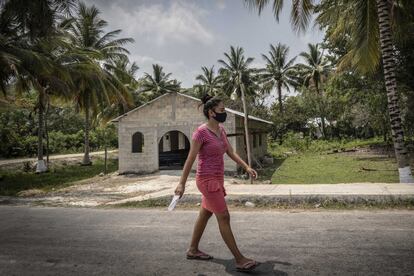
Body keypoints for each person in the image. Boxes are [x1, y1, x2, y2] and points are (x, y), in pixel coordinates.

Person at [174, 94, 260, 272]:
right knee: (224, 216)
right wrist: (181, 183)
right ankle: (239, 259)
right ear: (211, 112)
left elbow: (229, 151)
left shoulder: (220, 130)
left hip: (217, 179)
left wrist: (246, 167)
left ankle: (192, 249)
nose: (224, 113)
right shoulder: (201, 133)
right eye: (221, 110)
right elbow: (190, 159)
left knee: (205, 214)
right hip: (206, 180)